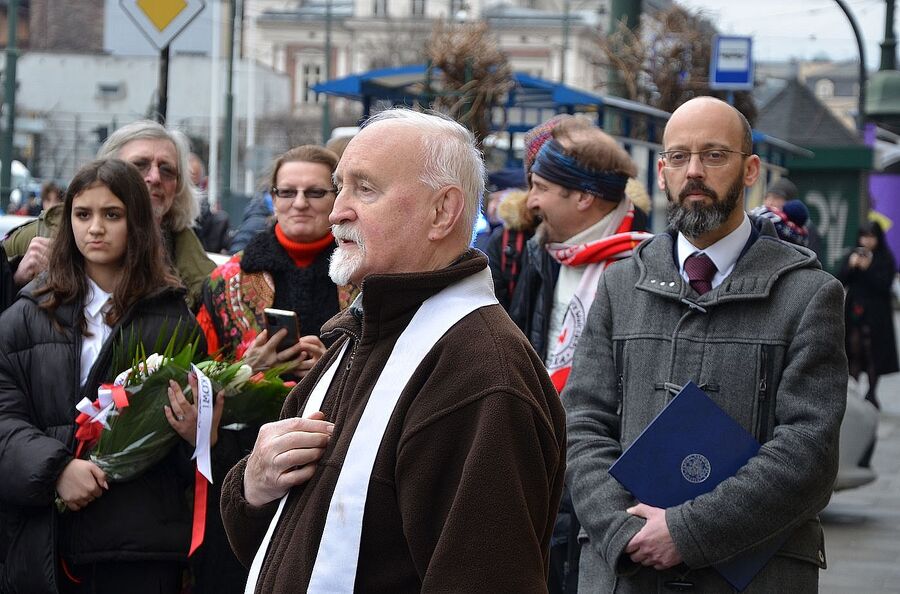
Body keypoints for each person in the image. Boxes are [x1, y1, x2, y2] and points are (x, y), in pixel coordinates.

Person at [220, 108, 566, 592]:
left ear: (442, 211)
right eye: (340, 186)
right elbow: (283, 545)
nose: (337, 210)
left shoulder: (484, 372)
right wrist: (253, 488)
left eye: (365, 189)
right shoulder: (355, 335)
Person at [565, 96, 847, 592]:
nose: (693, 171)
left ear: (750, 170)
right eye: (679, 156)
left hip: (756, 574)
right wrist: (623, 530)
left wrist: (687, 532)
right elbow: (582, 424)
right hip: (625, 575)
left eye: (714, 155)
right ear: (661, 172)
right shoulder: (620, 284)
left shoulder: (809, 294)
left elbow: (808, 452)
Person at [0, 158, 223, 594]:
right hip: (43, 542)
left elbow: (184, 459)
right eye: (83, 215)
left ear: (137, 223)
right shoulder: (26, 315)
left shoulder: (174, 320)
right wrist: (56, 469)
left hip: (137, 552)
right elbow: (4, 417)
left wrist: (200, 435)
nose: (95, 228)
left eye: (112, 215)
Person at [191, 146, 356, 594]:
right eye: (287, 191)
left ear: (337, 197)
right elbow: (198, 380)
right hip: (241, 472)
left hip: (340, 467)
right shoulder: (225, 280)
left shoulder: (366, 276)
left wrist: (336, 360)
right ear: (272, 198)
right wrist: (247, 368)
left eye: (315, 191)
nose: (299, 202)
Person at [500, 118, 652, 593]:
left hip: (608, 473)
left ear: (584, 196)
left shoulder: (647, 265)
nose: (533, 202)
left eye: (542, 187)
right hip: (543, 459)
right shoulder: (542, 256)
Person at [3, 120, 215, 310]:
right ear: (105, 172)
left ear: (178, 186)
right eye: (139, 165)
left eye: (167, 170)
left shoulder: (204, 277)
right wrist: (15, 278)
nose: (155, 177)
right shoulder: (43, 234)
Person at [837, 220, 899, 410]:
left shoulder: (884, 258)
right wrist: (851, 265)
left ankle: (872, 391)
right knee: (853, 348)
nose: (866, 241)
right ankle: (853, 388)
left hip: (877, 312)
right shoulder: (853, 254)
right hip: (855, 307)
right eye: (864, 236)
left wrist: (869, 267)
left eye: (871, 236)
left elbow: (884, 285)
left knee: (874, 350)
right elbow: (840, 280)